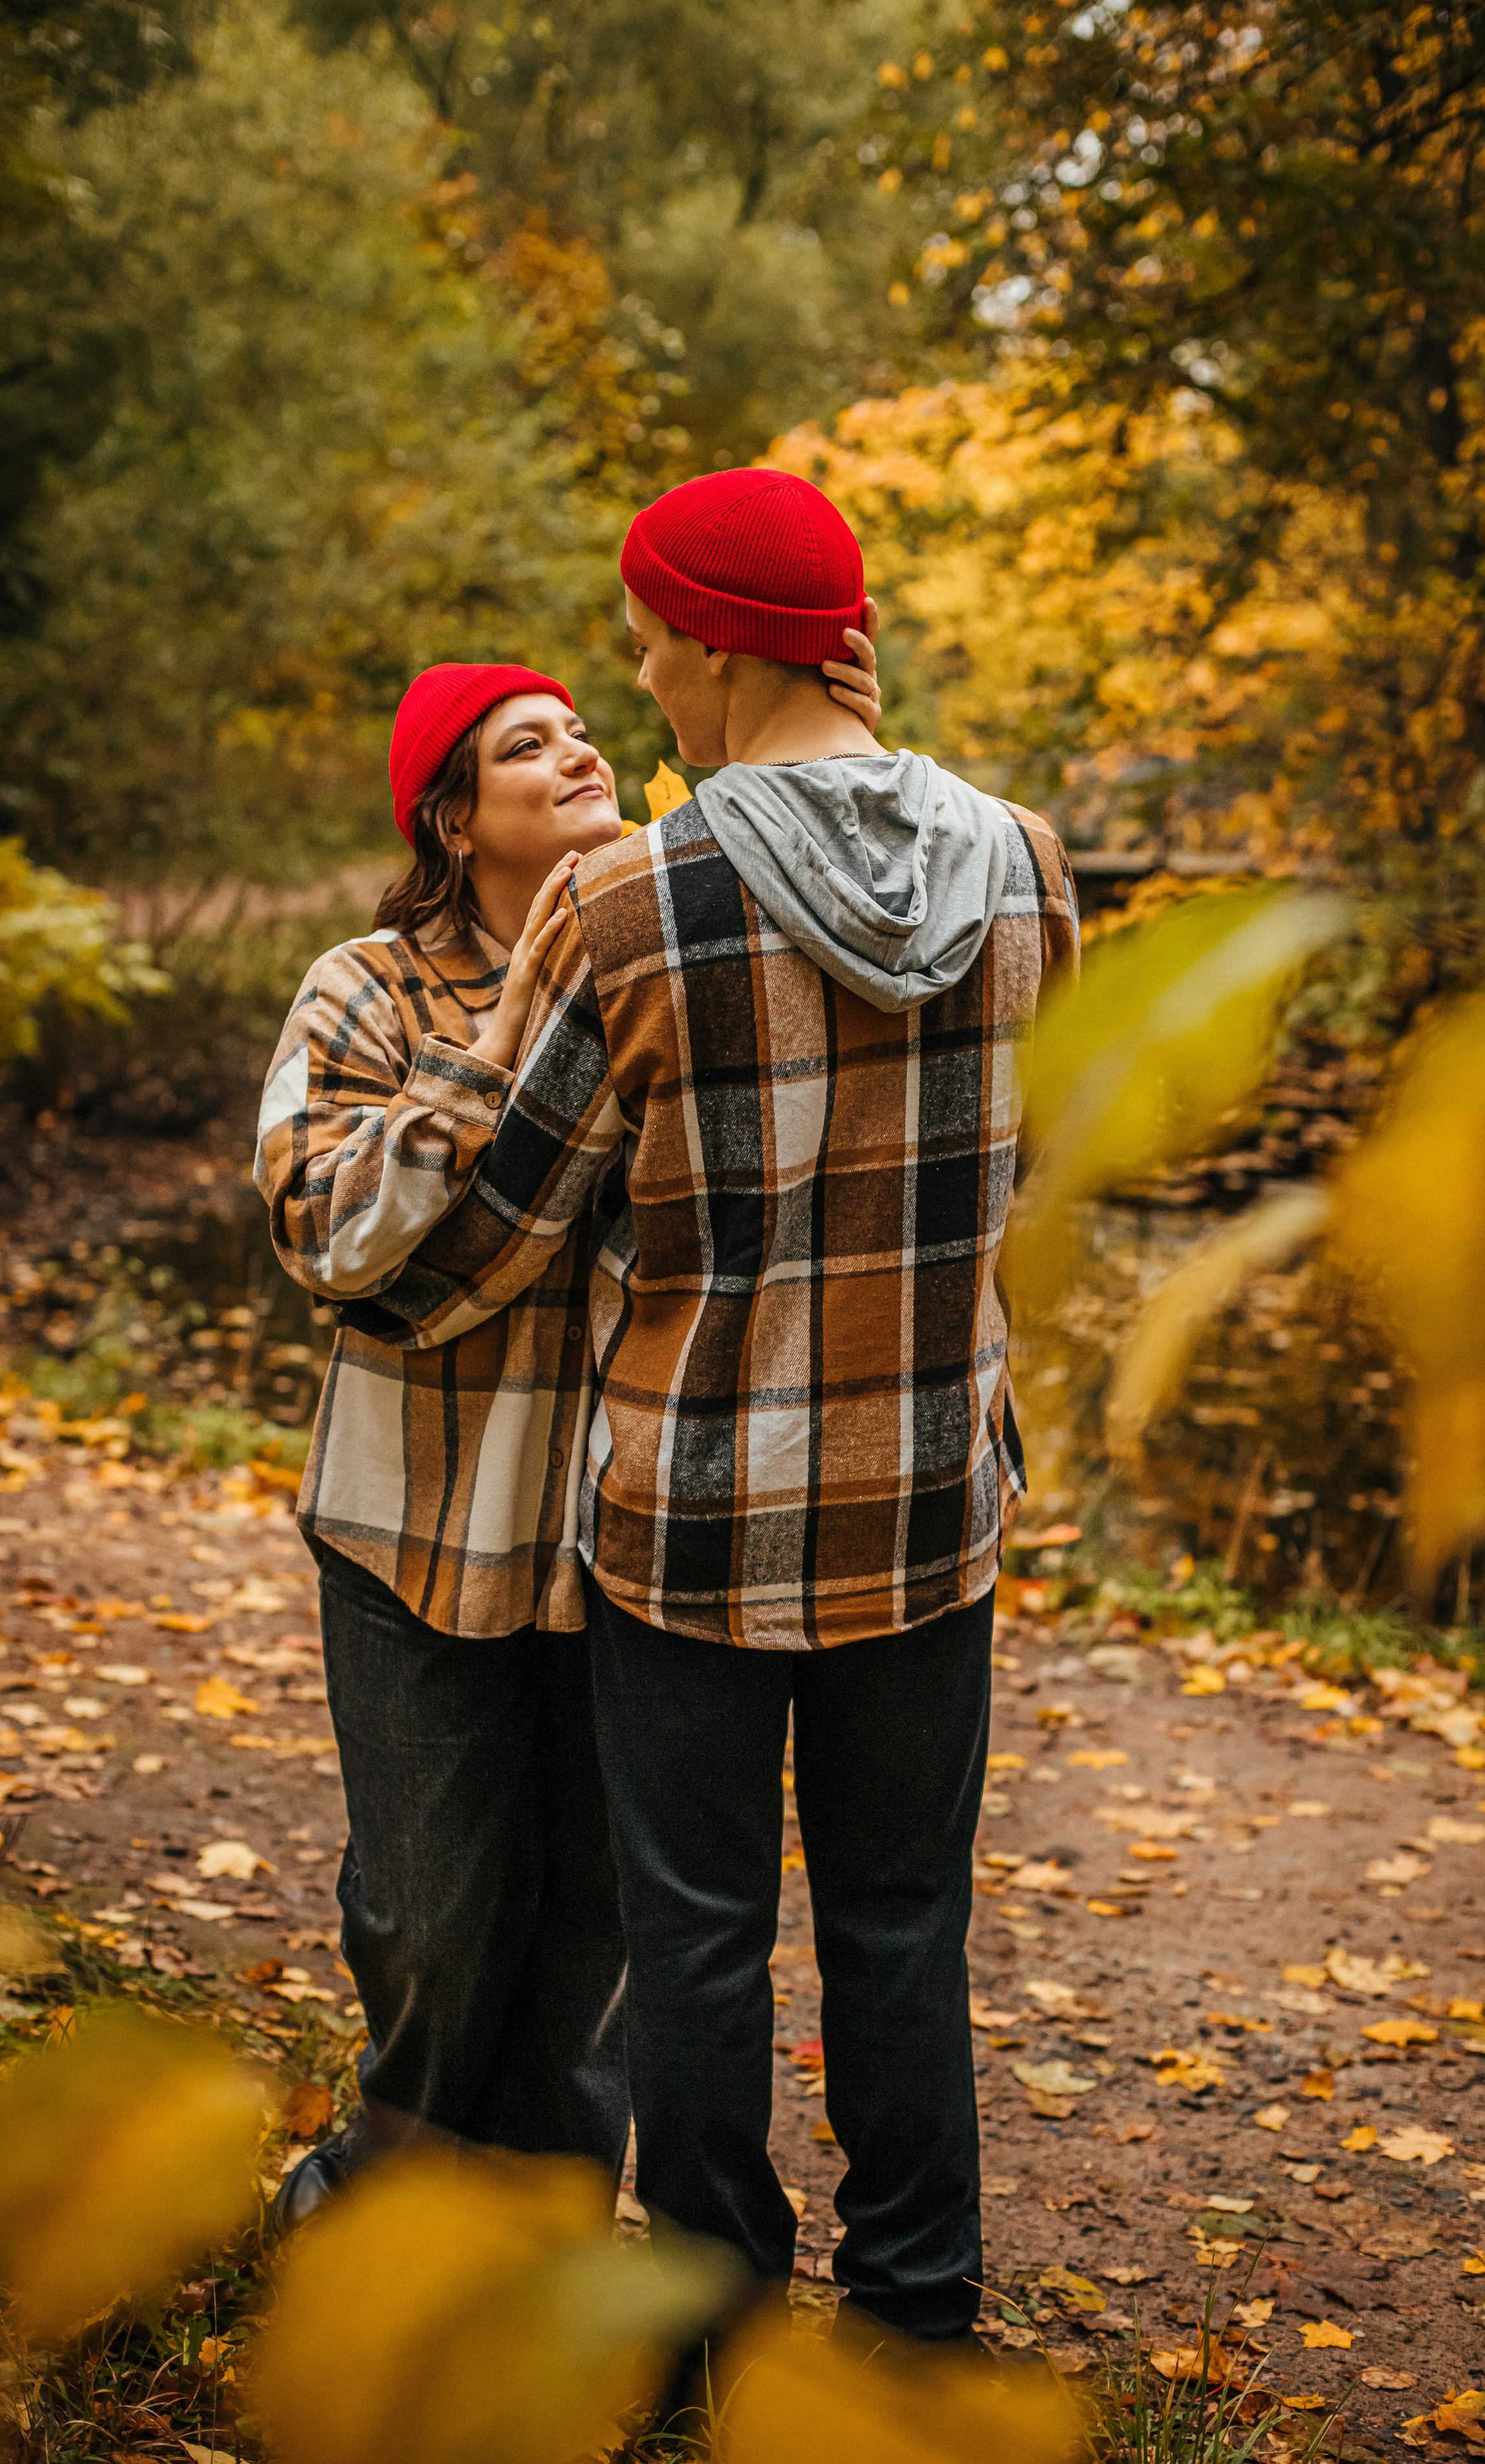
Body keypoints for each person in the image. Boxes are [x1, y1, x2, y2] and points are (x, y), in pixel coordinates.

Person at [386, 470, 1079, 2349]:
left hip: (690, 1518)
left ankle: (709, 2336)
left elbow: (493, 1232)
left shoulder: (629, 905)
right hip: (932, 1502)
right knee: (902, 1922)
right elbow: (1022, 1164)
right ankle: (918, 2320)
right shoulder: (1022, 860)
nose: (643, 687)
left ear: (708, 642)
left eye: (644, 650)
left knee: (694, 1940)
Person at [255, 636, 883, 2225]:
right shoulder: (365, 987)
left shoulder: (660, 954)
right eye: (527, 747)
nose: (581, 755)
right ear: (451, 820)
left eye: (583, 730)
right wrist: (508, 1024)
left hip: (619, 1542)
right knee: (431, 1916)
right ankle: (374, 2198)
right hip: (415, 1537)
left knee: (592, 1925)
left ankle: (533, 2237)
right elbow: (325, 1231)